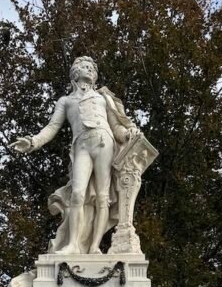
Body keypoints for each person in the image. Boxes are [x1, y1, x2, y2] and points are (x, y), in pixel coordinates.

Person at [10, 56, 137, 254]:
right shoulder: (66, 101)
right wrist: (33, 142)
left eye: (91, 68)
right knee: (77, 193)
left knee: (103, 197)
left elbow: (116, 127)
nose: (88, 69)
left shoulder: (103, 98)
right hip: (82, 145)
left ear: (95, 76)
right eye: (84, 67)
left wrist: (128, 134)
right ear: (75, 73)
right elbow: (52, 127)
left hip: (105, 141)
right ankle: (73, 245)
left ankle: (95, 246)